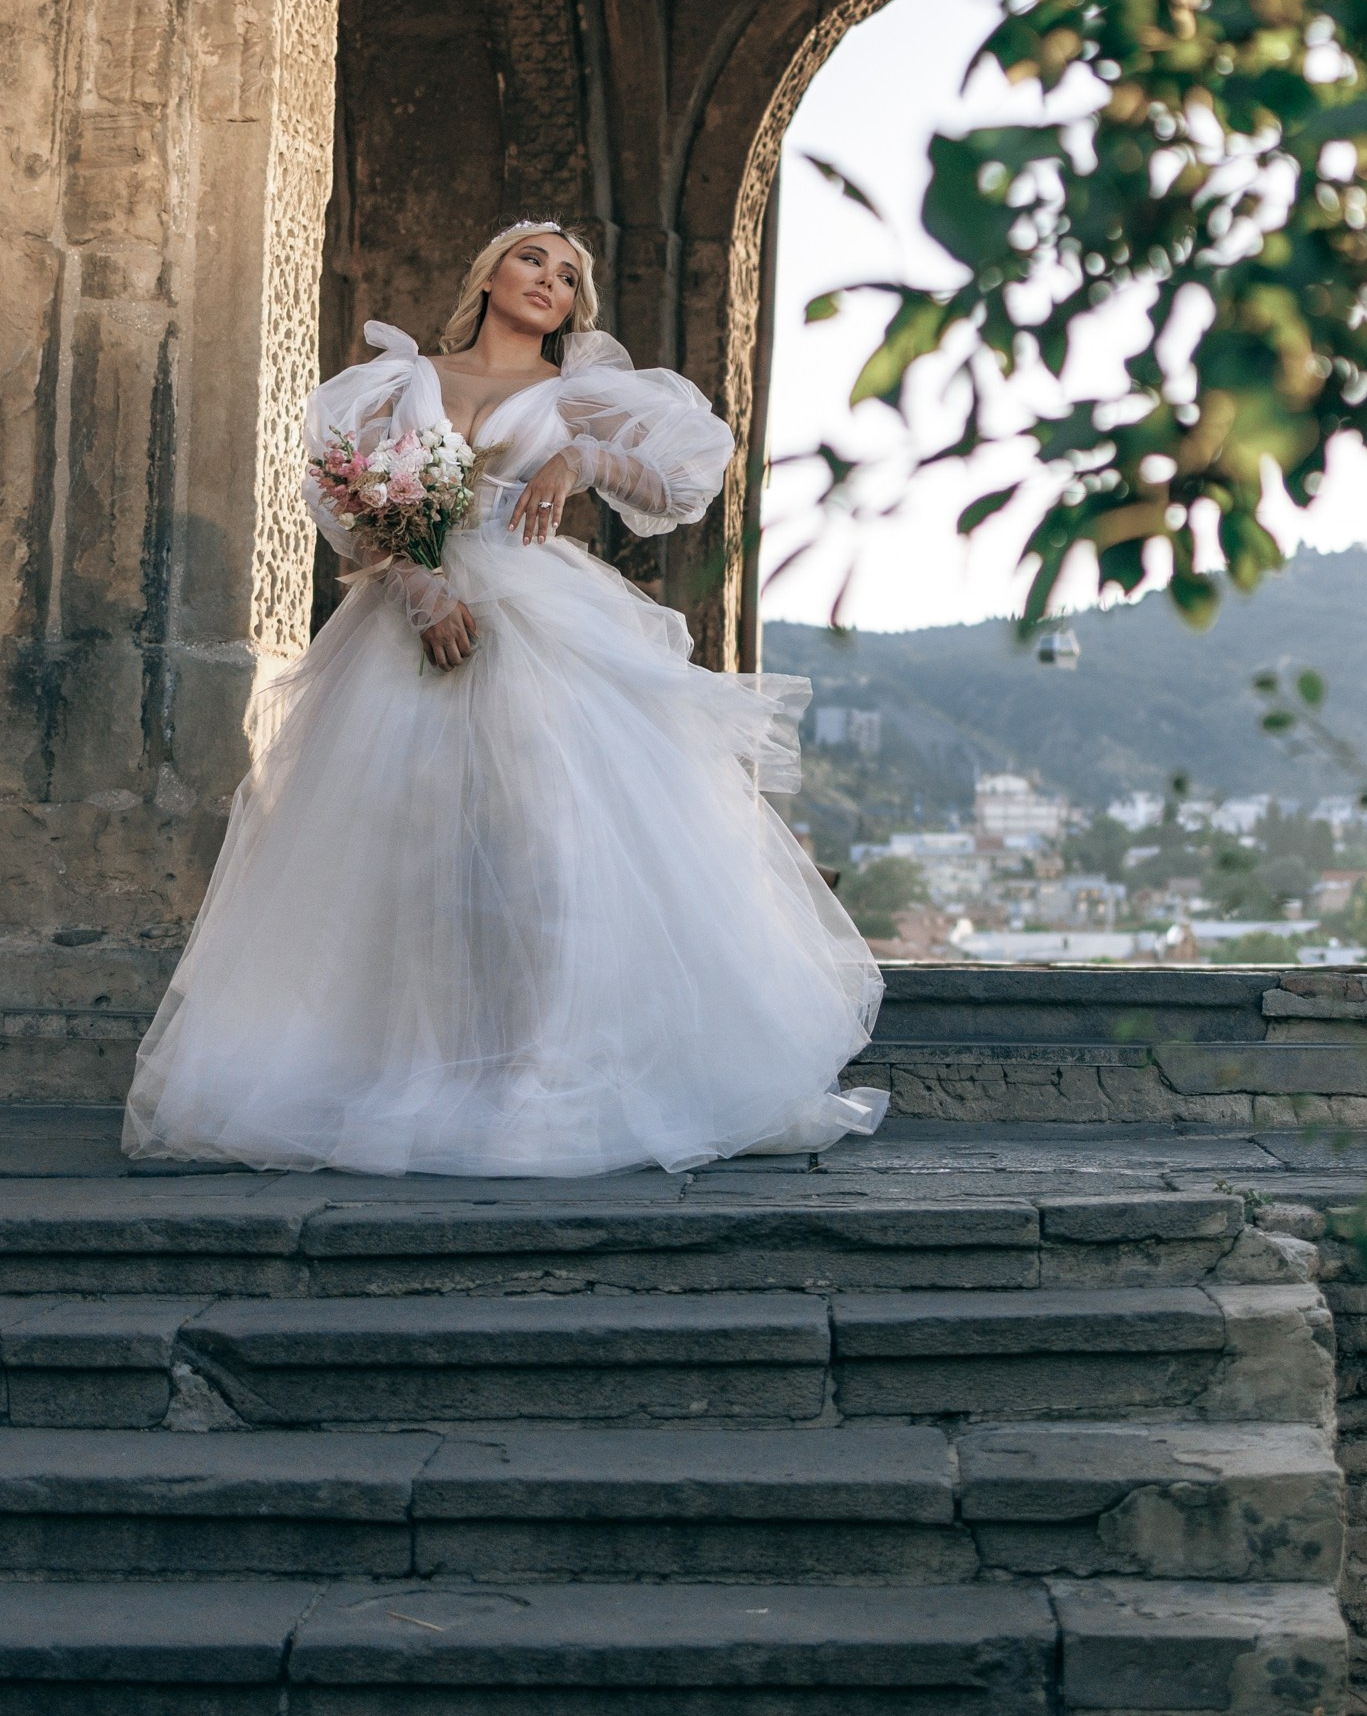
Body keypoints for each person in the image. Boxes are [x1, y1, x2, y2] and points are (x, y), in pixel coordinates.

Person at [123, 222, 886, 1176]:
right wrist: (417, 588)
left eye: (569, 279)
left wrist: (583, 462)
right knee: (396, 845)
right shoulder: (399, 383)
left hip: (536, 615)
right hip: (409, 622)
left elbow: (684, 476)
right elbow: (361, 520)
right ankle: (398, 1064)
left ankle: (548, 1071)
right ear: (488, 272)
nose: (551, 283)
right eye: (535, 260)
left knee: (548, 845)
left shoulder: (578, 392)